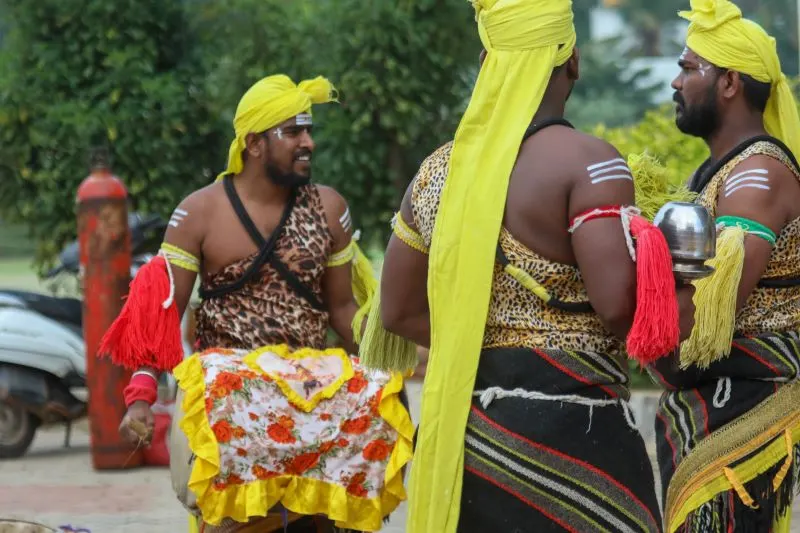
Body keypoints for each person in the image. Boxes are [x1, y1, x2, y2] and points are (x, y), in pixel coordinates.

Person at [372, 1, 696, 531]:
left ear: (487, 60)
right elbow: (620, 309)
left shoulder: (435, 174)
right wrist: (686, 285)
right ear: (572, 59)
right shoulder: (590, 162)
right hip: (580, 438)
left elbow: (397, 312)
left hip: (472, 441)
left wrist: (484, 335)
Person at [99, 74, 413, 532]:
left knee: (322, 520)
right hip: (233, 401)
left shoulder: (328, 207)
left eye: (309, 131)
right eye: (293, 132)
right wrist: (141, 397)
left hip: (310, 397)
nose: (307, 142)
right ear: (253, 143)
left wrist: (386, 374)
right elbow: (161, 313)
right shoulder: (198, 213)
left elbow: (344, 309)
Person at [649, 1, 800, 531]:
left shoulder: (758, 174)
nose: (675, 82)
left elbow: (711, 316)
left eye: (690, 69)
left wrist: (634, 308)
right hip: (714, 400)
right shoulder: (721, 171)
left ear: (730, 82)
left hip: (745, 406)